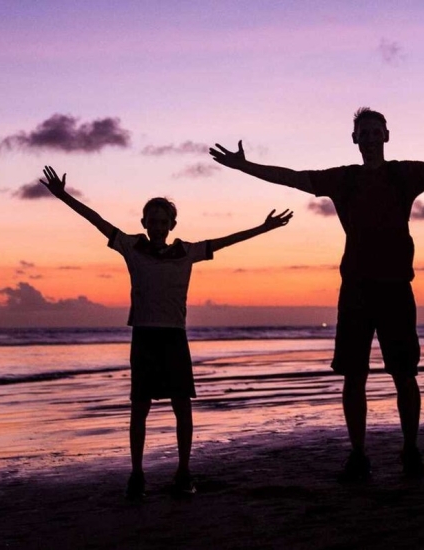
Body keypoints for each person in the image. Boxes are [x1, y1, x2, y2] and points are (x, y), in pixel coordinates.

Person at [210, 108, 424, 481]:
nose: (368, 137)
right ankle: (359, 454)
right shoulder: (343, 179)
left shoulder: (403, 174)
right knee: (353, 375)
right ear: (355, 139)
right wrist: (244, 166)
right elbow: (292, 178)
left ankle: (411, 450)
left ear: (386, 135)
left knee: (404, 374)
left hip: (396, 286)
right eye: (362, 132)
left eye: (374, 131)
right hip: (356, 290)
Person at [39, 165, 293, 498]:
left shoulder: (186, 252)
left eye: (164, 222)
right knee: (139, 407)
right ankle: (137, 475)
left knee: (181, 406)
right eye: (152, 221)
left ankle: (183, 471)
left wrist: (263, 227)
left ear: (172, 225)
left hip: (174, 337)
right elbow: (97, 220)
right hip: (144, 336)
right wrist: (63, 196)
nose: (158, 227)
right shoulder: (131, 246)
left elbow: (226, 241)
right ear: (144, 224)